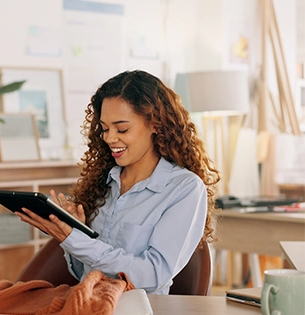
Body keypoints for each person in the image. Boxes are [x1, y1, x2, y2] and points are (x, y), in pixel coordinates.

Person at [16, 70, 220, 294]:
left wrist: (77, 241)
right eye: (104, 128)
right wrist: (75, 235)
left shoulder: (184, 189)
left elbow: (152, 275)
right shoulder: (104, 182)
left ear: (155, 124)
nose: (110, 138)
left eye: (122, 129)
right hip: (88, 302)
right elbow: (84, 272)